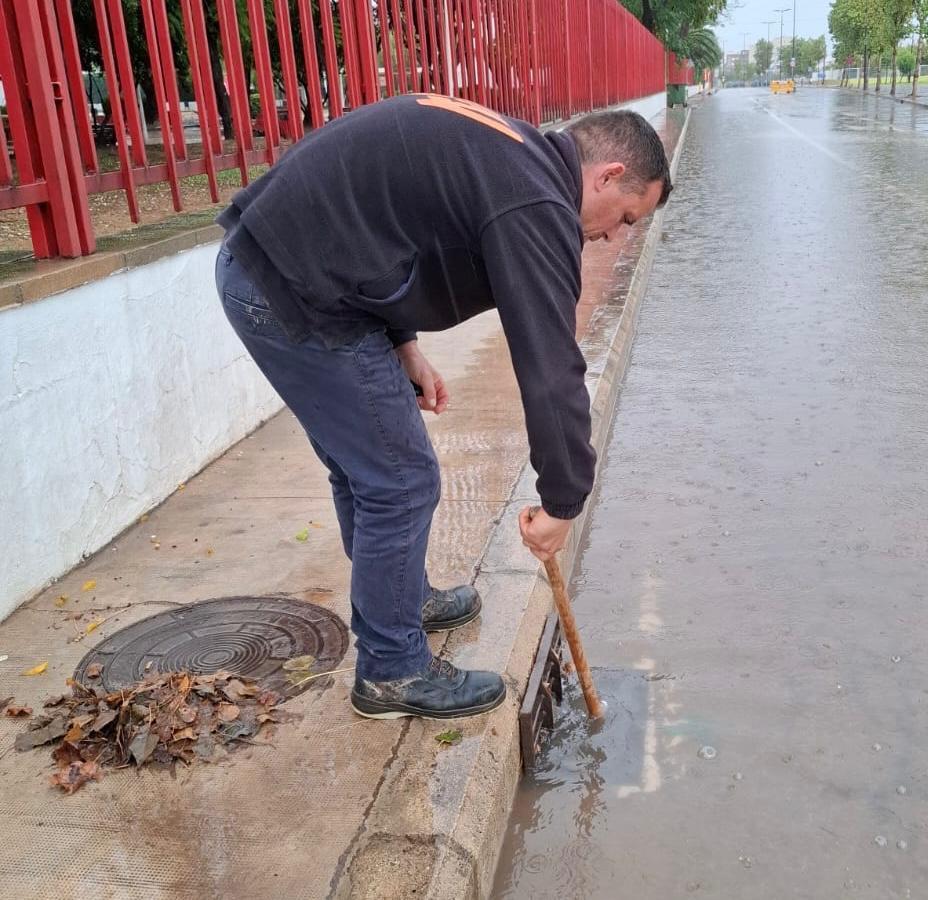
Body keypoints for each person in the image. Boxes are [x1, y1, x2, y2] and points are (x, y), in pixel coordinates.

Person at [214, 95, 671, 721]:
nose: (612, 236)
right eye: (624, 217)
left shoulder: (522, 158)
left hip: (293, 268)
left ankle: (397, 605)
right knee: (399, 481)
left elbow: (388, 218)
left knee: (371, 470)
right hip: (290, 285)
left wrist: (404, 345)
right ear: (608, 175)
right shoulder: (537, 201)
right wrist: (564, 502)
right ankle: (392, 671)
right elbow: (551, 367)